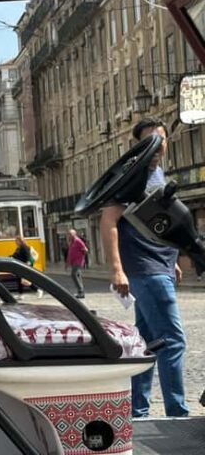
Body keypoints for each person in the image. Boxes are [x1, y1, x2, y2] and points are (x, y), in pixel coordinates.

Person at [100, 117, 188, 418]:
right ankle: (177, 414)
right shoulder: (130, 177)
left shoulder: (158, 173)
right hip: (145, 269)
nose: (157, 145)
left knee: (148, 342)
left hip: (159, 266)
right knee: (173, 341)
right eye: (150, 139)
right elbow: (109, 221)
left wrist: (173, 261)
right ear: (136, 145)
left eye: (161, 139)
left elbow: (160, 223)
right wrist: (116, 269)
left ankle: (138, 410)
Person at [66, 229, 88, 299]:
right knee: (78, 276)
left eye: (70, 234)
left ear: (74, 234)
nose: (68, 236)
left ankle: (81, 292)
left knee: (74, 274)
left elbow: (85, 250)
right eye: (68, 234)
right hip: (73, 262)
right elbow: (70, 253)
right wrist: (67, 263)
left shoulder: (78, 241)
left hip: (78, 262)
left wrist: (81, 257)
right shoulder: (71, 243)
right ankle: (81, 293)